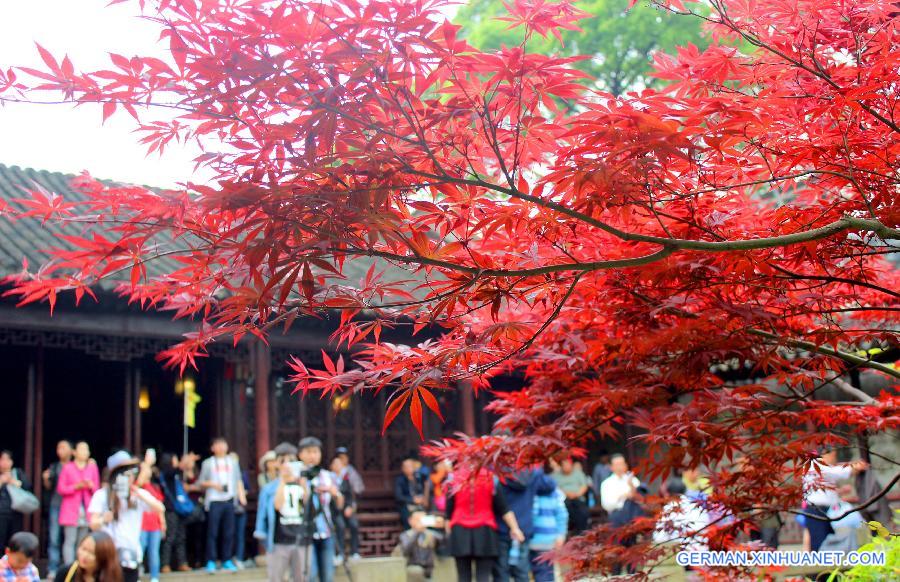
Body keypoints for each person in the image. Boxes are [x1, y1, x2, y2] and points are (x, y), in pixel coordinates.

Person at [87, 451, 165, 582]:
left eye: (131, 473)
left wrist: (138, 494)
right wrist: (103, 519)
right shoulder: (102, 495)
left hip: (130, 558)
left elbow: (160, 508)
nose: (128, 478)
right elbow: (93, 523)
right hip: (107, 556)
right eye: (123, 474)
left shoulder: (138, 495)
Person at [445, 467, 525, 582]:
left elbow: (448, 512)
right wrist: (515, 528)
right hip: (485, 532)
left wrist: (449, 534)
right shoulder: (491, 478)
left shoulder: (453, 478)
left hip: (459, 531)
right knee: (483, 576)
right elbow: (503, 508)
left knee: (463, 576)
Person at [254, 442, 308, 582]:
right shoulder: (269, 488)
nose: (286, 464)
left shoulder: (302, 483)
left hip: (301, 539)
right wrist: (283, 481)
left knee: (301, 578)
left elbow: (309, 506)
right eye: (282, 461)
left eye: (290, 460)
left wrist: (304, 485)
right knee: (276, 578)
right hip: (278, 540)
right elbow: (277, 505)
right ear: (276, 463)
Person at [493, 466, 556, 582]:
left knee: (501, 572)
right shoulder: (534, 473)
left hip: (501, 527)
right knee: (522, 571)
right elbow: (550, 485)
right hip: (524, 529)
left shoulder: (498, 470)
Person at [802, 448, 867, 552]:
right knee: (819, 541)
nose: (835, 459)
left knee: (828, 539)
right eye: (834, 455)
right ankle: (818, 565)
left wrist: (840, 491)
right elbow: (838, 472)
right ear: (825, 455)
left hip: (828, 510)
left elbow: (827, 488)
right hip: (817, 510)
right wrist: (856, 466)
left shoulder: (823, 468)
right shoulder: (815, 466)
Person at [297, 437, 343, 582]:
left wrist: (334, 493)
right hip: (305, 531)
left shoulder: (326, 476)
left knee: (328, 575)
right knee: (311, 575)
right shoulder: (296, 475)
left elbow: (340, 504)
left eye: (316, 452)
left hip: (325, 530)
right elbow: (300, 504)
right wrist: (304, 486)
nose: (312, 456)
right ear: (300, 454)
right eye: (308, 452)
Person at [198, 437, 246, 574]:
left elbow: (238, 480)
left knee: (229, 532)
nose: (221, 447)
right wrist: (214, 485)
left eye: (223, 444)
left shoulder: (232, 462)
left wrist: (241, 496)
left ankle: (227, 559)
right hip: (214, 500)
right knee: (212, 532)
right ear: (212, 448)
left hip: (229, 500)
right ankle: (211, 560)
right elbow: (201, 482)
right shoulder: (208, 463)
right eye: (217, 445)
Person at [58, 443, 100, 569]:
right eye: (82, 449)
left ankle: (80, 568)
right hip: (71, 509)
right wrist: (76, 486)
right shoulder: (68, 468)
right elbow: (61, 488)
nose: (85, 452)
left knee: (82, 542)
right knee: (69, 541)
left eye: (87, 449)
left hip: (86, 509)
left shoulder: (92, 468)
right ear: (74, 452)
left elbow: (97, 489)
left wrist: (91, 486)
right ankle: (69, 568)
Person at [600, 454, 643, 575]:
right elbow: (607, 504)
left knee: (632, 552)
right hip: (616, 518)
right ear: (611, 467)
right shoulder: (607, 483)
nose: (620, 467)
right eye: (617, 464)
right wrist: (623, 496)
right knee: (616, 552)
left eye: (622, 463)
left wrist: (631, 488)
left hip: (632, 518)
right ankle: (616, 576)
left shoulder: (633, 480)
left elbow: (640, 498)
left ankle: (632, 575)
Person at [43, 440, 73, 579]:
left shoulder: (75, 467)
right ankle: (53, 568)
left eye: (63, 447)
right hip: (56, 504)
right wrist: (45, 479)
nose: (60, 450)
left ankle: (71, 569)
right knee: (54, 538)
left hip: (72, 506)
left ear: (72, 451)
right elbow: (49, 487)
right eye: (58, 447)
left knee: (70, 539)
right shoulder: (54, 466)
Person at [157, 454, 190, 574]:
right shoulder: (166, 473)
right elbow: (173, 471)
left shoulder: (176, 475)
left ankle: (182, 562)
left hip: (179, 509)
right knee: (170, 537)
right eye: (175, 459)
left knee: (181, 536)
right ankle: (165, 563)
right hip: (170, 508)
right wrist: (183, 463)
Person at [529, 482, 567, 582]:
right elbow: (562, 515)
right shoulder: (556, 492)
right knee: (548, 572)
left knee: (539, 573)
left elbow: (532, 514)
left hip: (533, 539)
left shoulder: (530, 491)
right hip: (551, 539)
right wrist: (560, 535)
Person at [135, 457, 165, 582]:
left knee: (154, 553)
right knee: (139, 552)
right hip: (141, 524)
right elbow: (139, 482)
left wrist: (162, 522)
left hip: (154, 525)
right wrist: (146, 465)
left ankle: (154, 577)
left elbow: (159, 507)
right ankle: (136, 575)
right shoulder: (136, 487)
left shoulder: (154, 487)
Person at [54, 531, 123, 582]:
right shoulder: (66, 572)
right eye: (83, 549)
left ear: (103, 556)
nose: (84, 555)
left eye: (91, 552)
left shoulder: (115, 576)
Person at [396, 509, 444, 582]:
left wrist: (442, 528)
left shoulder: (431, 534)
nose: (421, 522)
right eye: (418, 519)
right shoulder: (406, 535)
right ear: (410, 521)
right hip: (412, 567)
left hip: (429, 569)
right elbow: (406, 550)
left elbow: (444, 544)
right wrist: (417, 533)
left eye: (423, 519)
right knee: (416, 571)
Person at [333, 447, 362, 560]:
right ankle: (339, 553)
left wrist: (350, 506)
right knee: (340, 526)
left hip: (347, 508)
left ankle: (354, 552)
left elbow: (352, 493)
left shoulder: (348, 475)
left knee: (354, 525)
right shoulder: (329, 478)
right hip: (334, 510)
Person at [0, 451, 33, 550]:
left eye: (8, 459)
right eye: (2, 459)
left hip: (16, 512)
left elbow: (27, 487)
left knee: (14, 541)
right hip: (1, 512)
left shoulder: (17, 473)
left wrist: (14, 482)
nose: (5, 462)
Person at [552, 455, 590, 535]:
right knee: (568, 510)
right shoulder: (556, 475)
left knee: (583, 512)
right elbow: (556, 488)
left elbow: (584, 486)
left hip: (578, 498)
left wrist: (576, 494)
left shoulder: (578, 473)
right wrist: (566, 493)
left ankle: (582, 532)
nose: (566, 466)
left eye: (568, 464)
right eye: (564, 465)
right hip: (564, 499)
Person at [229, 453, 250, 568]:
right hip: (228, 506)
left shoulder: (242, 474)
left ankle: (239, 557)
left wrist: (240, 491)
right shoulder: (224, 475)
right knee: (229, 534)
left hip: (240, 507)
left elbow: (247, 488)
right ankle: (228, 557)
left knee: (240, 534)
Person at [395, 457, 426, 528]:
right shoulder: (400, 480)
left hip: (419, 506)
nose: (409, 468)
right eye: (406, 467)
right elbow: (398, 496)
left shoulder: (418, 478)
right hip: (407, 506)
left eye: (411, 466)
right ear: (402, 469)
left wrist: (421, 499)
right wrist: (412, 500)